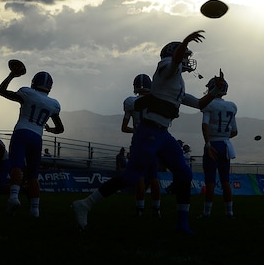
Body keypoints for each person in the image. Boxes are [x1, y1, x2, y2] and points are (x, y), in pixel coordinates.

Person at [72, 30, 224, 234]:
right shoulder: (167, 67)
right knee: (131, 177)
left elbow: (198, 103)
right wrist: (186, 41)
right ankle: (85, 204)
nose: (188, 59)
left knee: (184, 174)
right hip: (150, 130)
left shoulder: (176, 82)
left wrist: (215, 91)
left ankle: (182, 224)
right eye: (185, 54)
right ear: (174, 53)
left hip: (162, 134)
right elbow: (174, 61)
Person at [0, 66, 64, 218]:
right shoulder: (53, 104)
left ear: (34, 82)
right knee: (33, 175)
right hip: (37, 138)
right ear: (49, 87)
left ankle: (14, 198)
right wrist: (49, 129)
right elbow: (60, 128)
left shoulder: (27, 93)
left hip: (22, 132)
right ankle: (35, 210)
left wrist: (11, 75)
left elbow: (1, 91)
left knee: (17, 166)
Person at [121, 73, 162, 217]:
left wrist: (137, 130)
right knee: (154, 177)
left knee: (139, 176)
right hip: (153, 140)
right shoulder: (156, 101)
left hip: (138, 140)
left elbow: (124, 127)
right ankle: (157, 209)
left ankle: (140, 208)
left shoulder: (131, 102)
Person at [199, 70, 238, 219]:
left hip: (213, 144)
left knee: (210, 181)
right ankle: (229, 212)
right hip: (225, 145)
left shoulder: (209, 105)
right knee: (225, 180)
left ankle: (207, 213)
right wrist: (224, 136)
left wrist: (208, 143)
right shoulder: (231, 106)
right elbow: (234, 131)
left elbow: (205, 126)